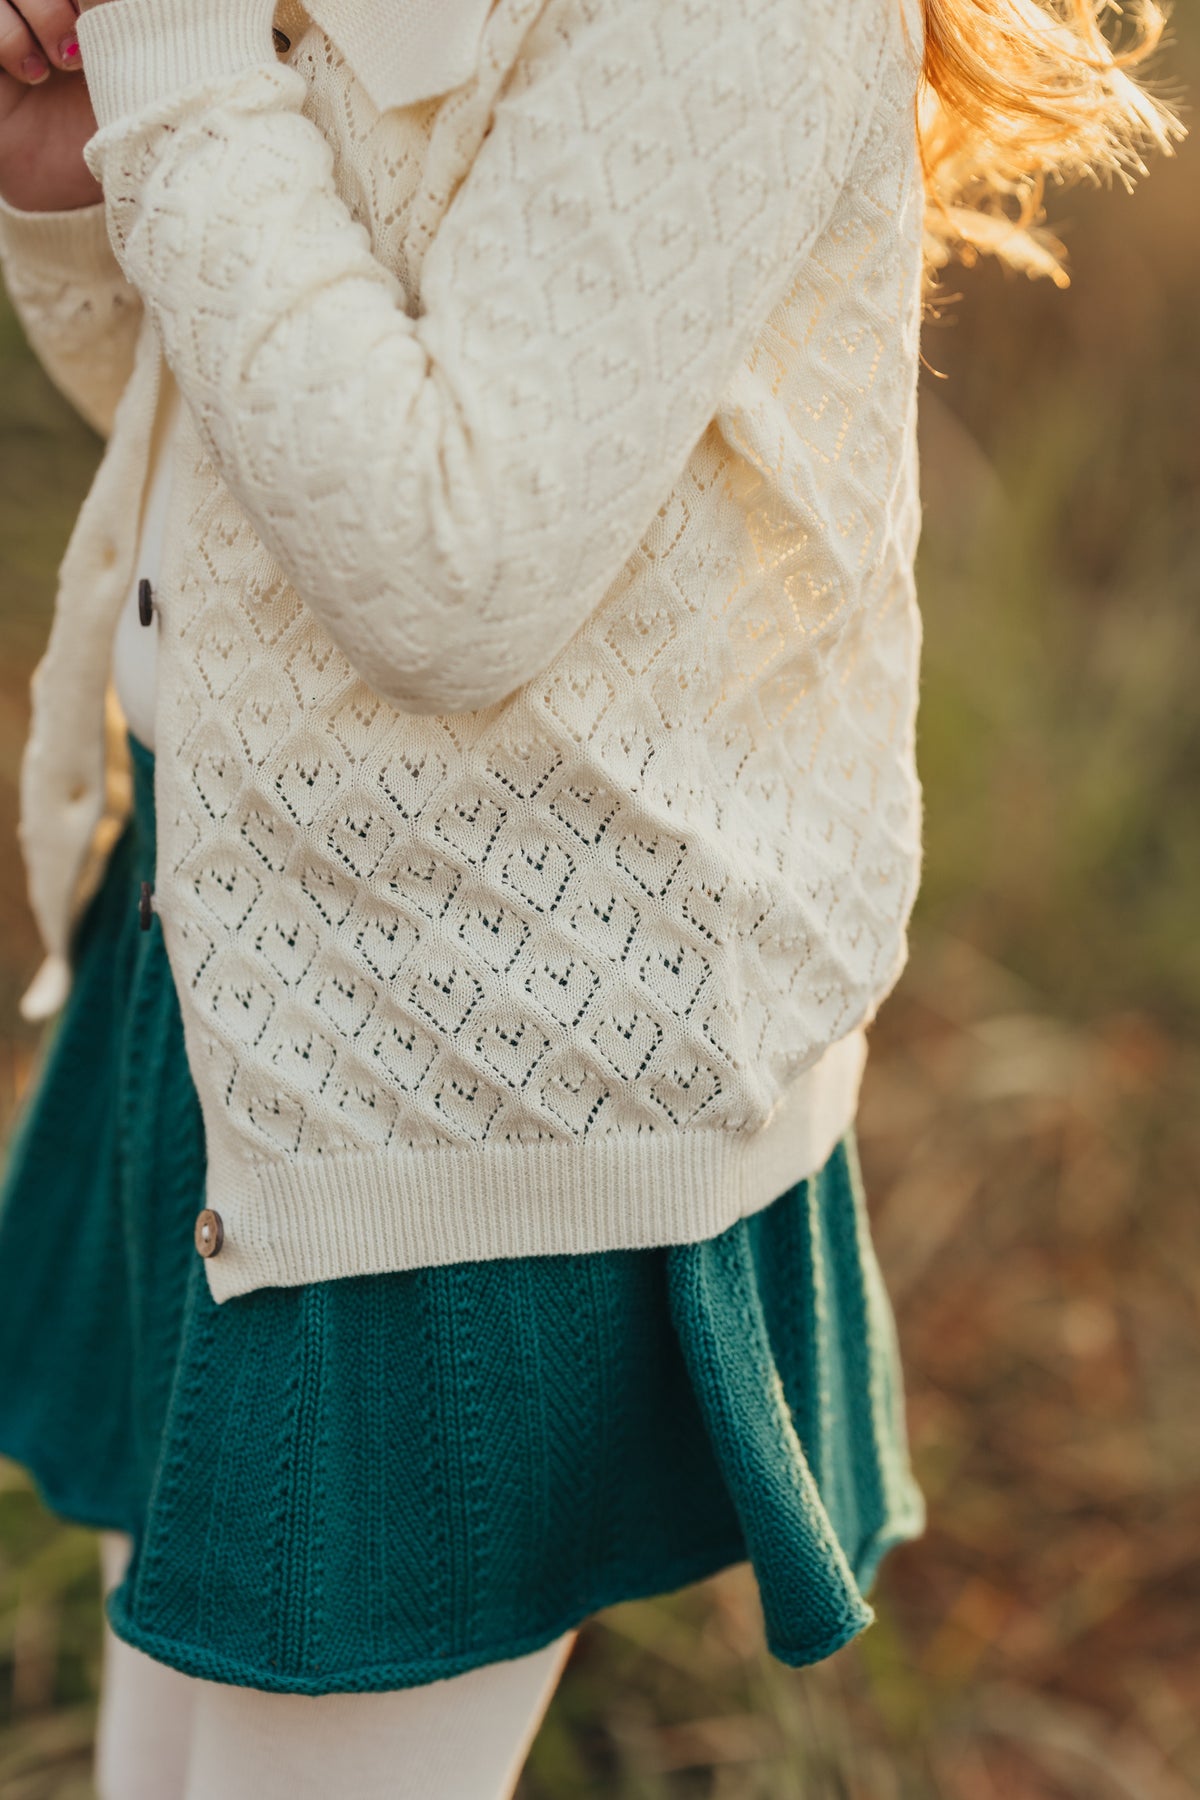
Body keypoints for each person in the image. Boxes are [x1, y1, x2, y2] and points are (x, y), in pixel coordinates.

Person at [0, 1, 1180, 1795]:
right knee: (155, 1770)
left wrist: (174, 57)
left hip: (463, 1072)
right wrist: (86, 186)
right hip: (225, 941)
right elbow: (266, 479)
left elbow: (442, 570)